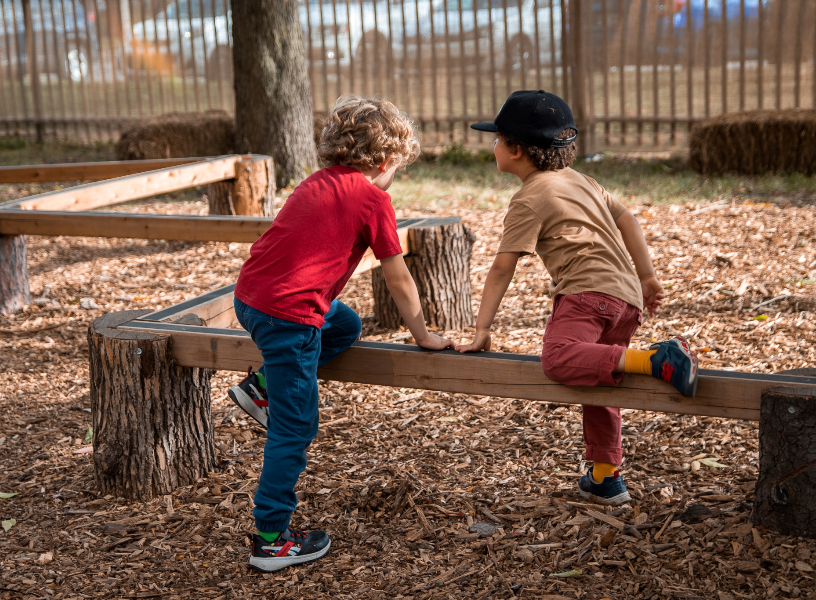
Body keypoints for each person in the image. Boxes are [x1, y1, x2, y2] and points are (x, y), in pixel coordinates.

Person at [227, 95, 455, 572]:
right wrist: (424, 336)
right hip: (290, 318)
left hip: (250, 298)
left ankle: (263, 386)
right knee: (295, 428)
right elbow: (398, 278)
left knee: (345, 323)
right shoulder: (373, 198)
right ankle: (271, 539)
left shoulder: (315, 182)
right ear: (387, 161)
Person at [457, 90, 699, 505]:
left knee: (559, 357)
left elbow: (502, 267)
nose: (493, 145)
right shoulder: (583, 181)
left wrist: (482, 329)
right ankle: (605, 475)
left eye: (496, 138)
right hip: (626, 300)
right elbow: (629, 220)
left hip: (587, 294)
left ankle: (658, 360)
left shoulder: (529, 198)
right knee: (598, 374)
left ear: (516, 150)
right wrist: (648, 277)